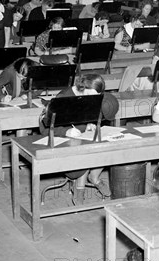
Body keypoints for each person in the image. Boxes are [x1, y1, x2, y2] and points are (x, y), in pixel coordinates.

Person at [39, 74, 119, 204]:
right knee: (84, 148)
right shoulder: (63, 97)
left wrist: (87, 125)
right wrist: (66, 131)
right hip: (60, 138)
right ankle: (79, 188)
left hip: (80, 135)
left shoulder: (90, 97)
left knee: (106, 143)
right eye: (91, 94)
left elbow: (82, 120)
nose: (93, 99)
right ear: (82, 88)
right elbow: (44, 130)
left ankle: (94, 177)